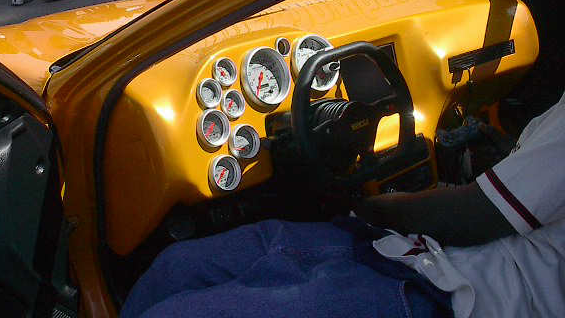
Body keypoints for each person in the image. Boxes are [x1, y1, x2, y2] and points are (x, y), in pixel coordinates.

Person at [121, 91, 565, 318]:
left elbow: (476, 215)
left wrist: (370, 206)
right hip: (406, 251)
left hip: (460, 295)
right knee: (175, 267)